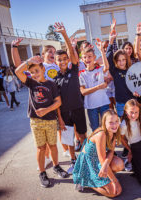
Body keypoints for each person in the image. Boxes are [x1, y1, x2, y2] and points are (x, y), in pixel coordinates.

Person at [15, 55, 68, 187]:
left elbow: (58, 102)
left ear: (43, 69)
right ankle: (42, 173)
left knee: (53, 145)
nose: (34, 74)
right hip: (36, 122)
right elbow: (17, 72)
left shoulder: (51, 84)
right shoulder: (31, 83)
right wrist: (29, 61)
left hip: (50, 120)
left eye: (37, 71)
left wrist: (46, 110)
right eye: (32, 72)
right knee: (41, 148)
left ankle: (56, 166)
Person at [53, 22, 87, 174]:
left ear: (68, 59)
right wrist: (59, 118)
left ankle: (86, 159)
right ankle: (73, 161)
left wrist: (64, 35)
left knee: (82, 135)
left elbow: (72, 53)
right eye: (59, 60)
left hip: (78, 109)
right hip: (65, 113)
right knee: (69, 139)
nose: (62, 61)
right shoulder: (54, 79)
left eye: (64, 59)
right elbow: (57, 102)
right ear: (55, 62)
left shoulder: (73, 70)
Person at [73, 109, 124, 198]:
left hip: (99, 159)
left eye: (116, 121)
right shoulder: (102, 134)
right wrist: (114, 180)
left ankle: (106, 178)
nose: (115, 125)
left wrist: (106, 164)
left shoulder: (113, 131)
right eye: (111, 122)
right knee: (115, 192)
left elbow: (111, 151)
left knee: (119, 164)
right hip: (89, 163)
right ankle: (86, 181)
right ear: (104, 123)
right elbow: (102, 160)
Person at [79, 40, 110, 131]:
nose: (87, 59)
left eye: (90, 56)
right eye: (85, 57)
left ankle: (107, 144)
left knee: (107, 127)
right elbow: (83, 92)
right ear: (82, 59)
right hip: (91, 106)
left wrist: (102, 52)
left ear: (94, 57)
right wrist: (98, 87)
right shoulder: (81, 74)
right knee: (95, 129)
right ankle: (98, 145)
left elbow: (107, 67)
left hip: (104, 103)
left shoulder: (99, 69)